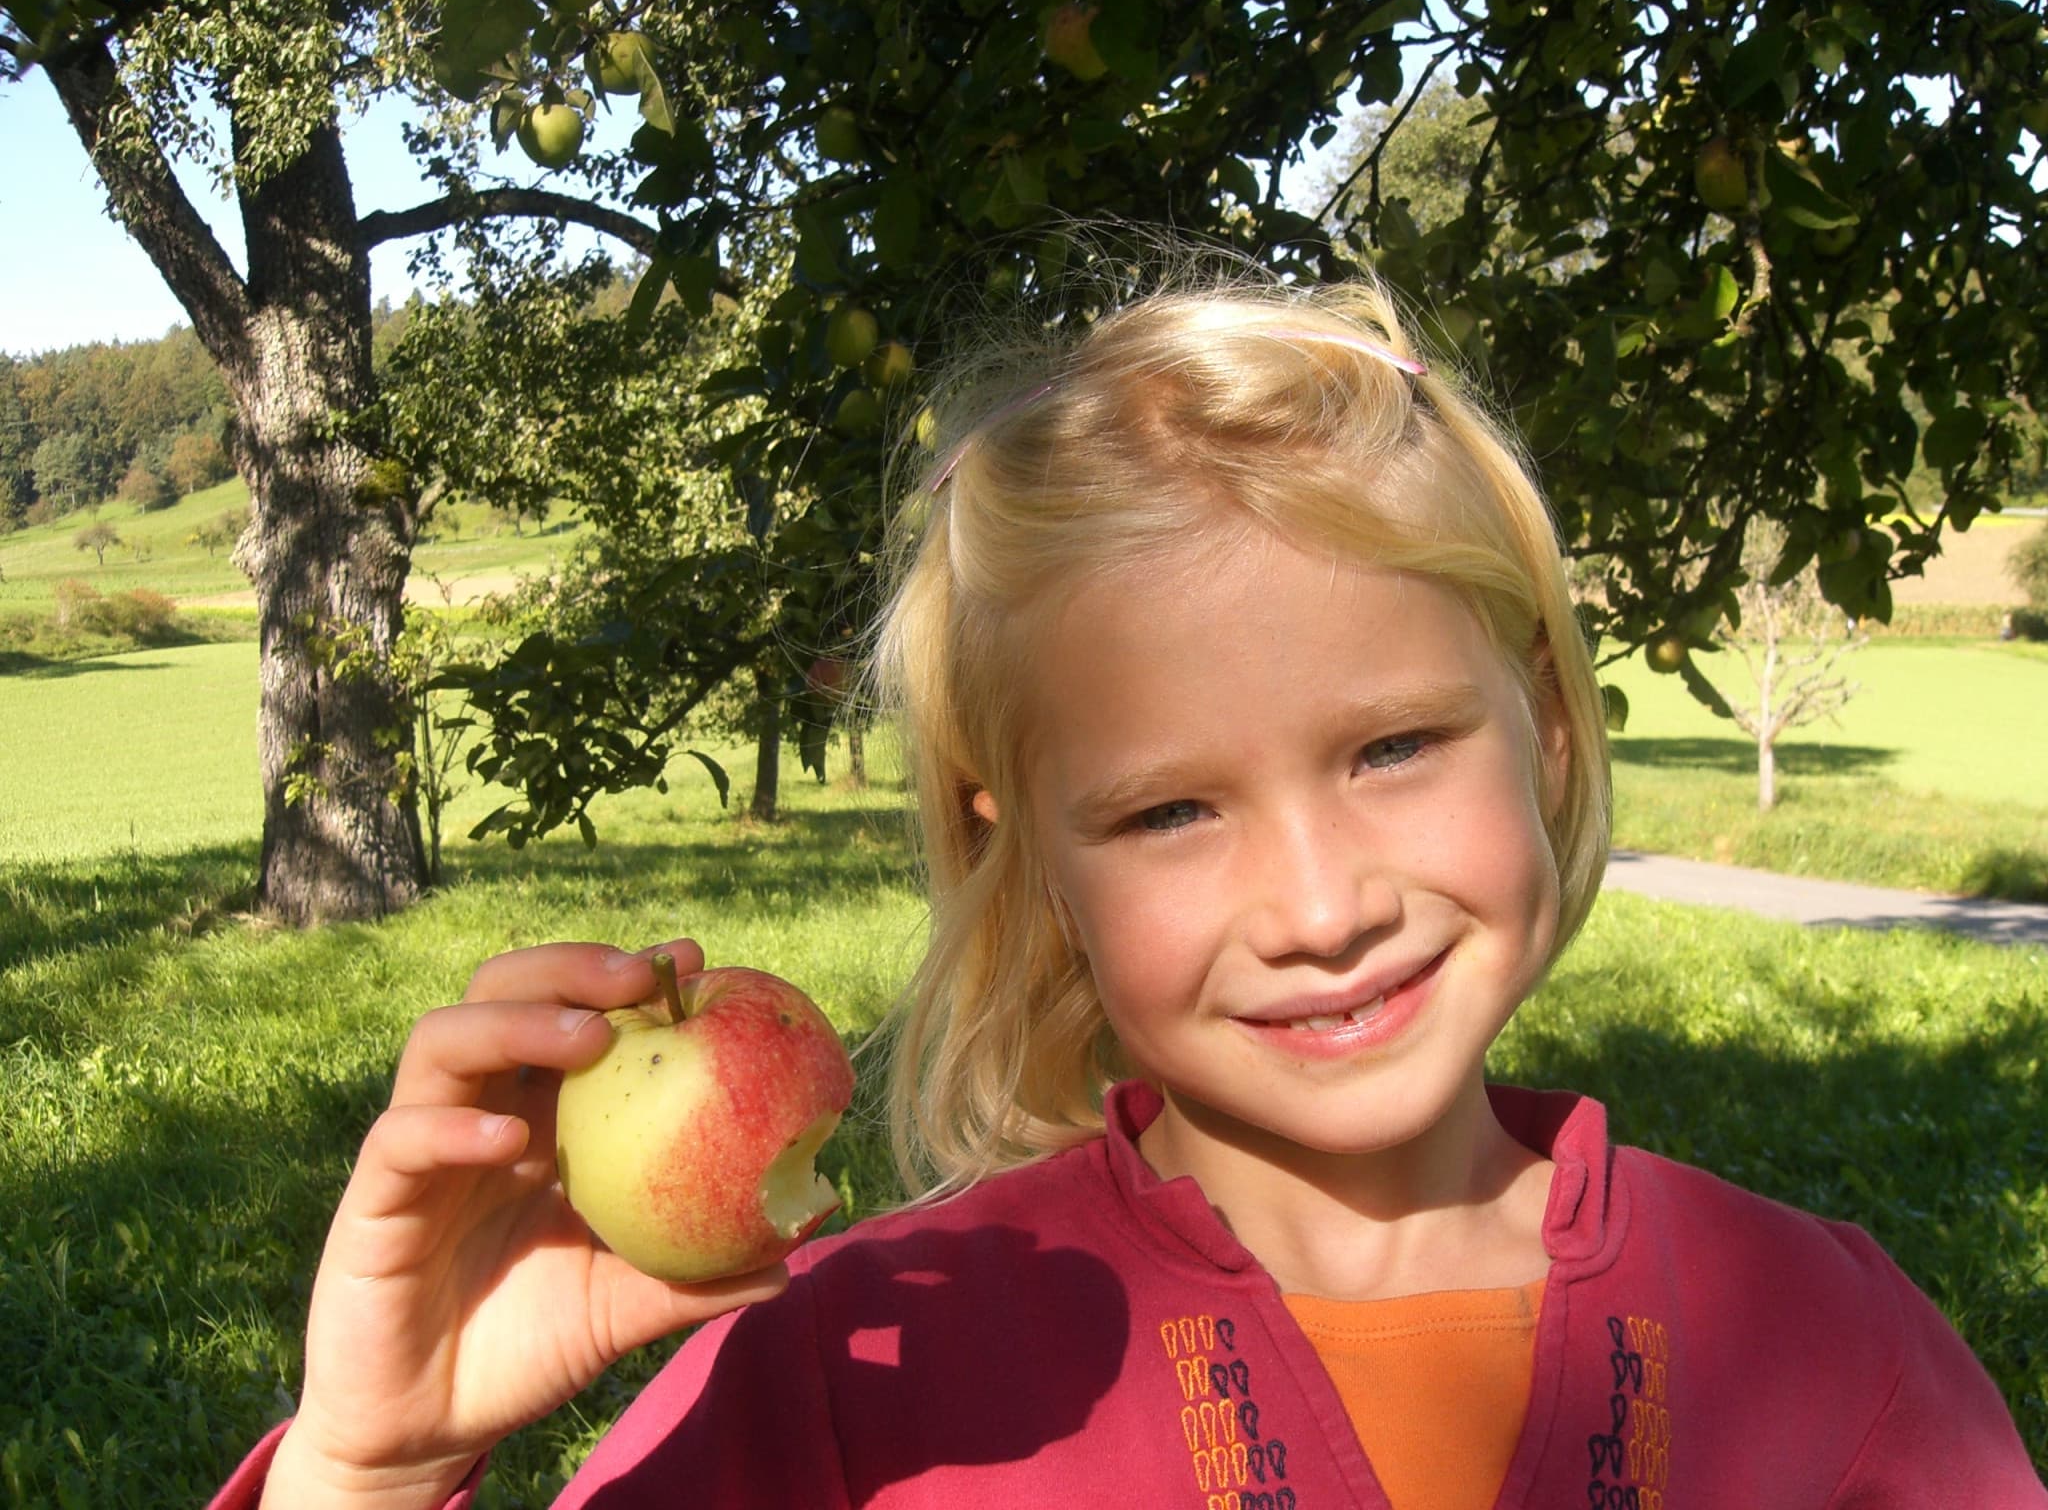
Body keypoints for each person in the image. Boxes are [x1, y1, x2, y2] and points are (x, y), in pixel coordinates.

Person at [211, 274, 2044, 1510]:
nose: (1321, 904)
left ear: (1550, 733)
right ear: (1035, 852)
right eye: (1171, 811)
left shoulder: (1828, 1340)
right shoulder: (857, 1372)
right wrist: (367, 1469)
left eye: (1394, 747)